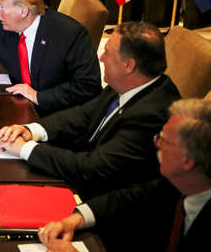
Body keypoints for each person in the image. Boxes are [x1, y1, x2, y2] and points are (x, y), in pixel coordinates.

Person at [0, 21, 181, 198]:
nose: (101, 57)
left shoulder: (150, 114)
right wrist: (30, 130)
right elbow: (82, 115)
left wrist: (26, 149)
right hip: (79, 170)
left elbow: (92, 168)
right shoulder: (128, 83)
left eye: (107, 53)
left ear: (128, 65)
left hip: (100, 198)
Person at [37, 99, 210, 252]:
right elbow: (127, 199)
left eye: (164, 140)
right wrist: (75, 220)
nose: (156, 144)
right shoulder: (177, 183)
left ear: (188, 160)